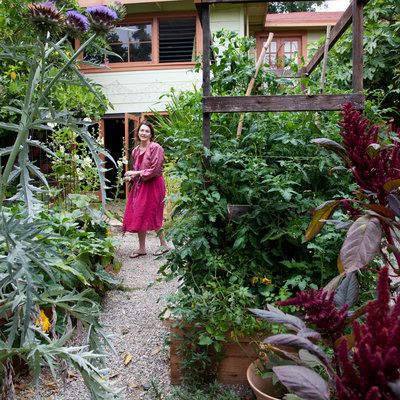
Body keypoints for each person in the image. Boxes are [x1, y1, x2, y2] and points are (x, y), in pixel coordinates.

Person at [122, 121, 169, 258]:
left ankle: (164, 245)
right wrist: (130, 177)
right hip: (140, 185)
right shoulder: (135, 151)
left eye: (147, 131)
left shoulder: (156, 148)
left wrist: (135, 174)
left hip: (154, 185)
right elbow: (137, 170)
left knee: (154, 214)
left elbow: (155, 170)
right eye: (141, 130)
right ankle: (142, 248)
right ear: (138, 133)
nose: (143, 133)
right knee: (139, 213)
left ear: (151, 134)